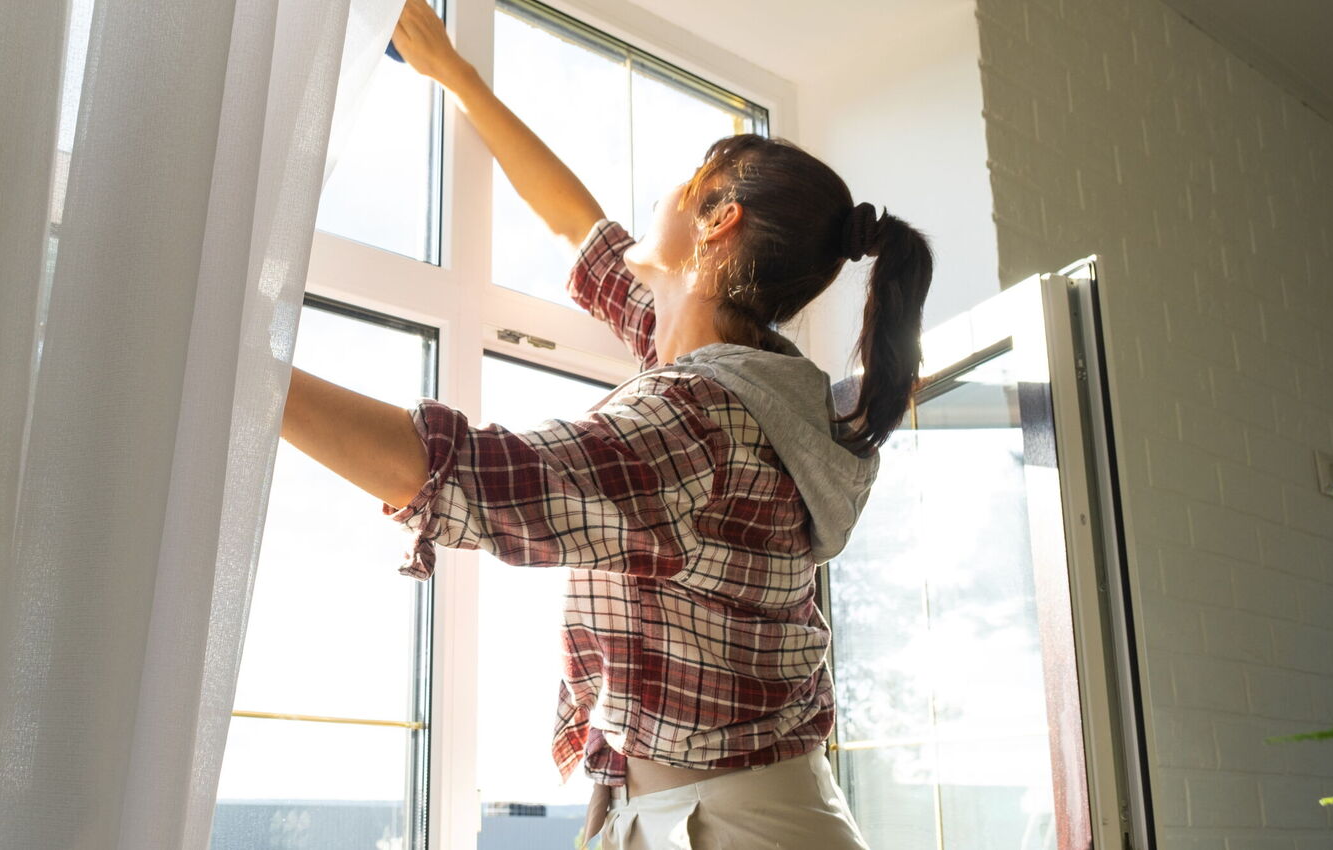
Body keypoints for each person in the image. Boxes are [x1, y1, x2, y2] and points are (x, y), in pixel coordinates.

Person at [277, 2, 935, 847]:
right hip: (704, 808)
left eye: (681, 183)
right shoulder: (737, 380)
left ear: (717, 220)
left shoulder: (701, 420)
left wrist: (234, 354)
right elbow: (576, 224)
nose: (657, 197)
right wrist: (456, 75)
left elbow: (476, 478)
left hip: (736, 829)